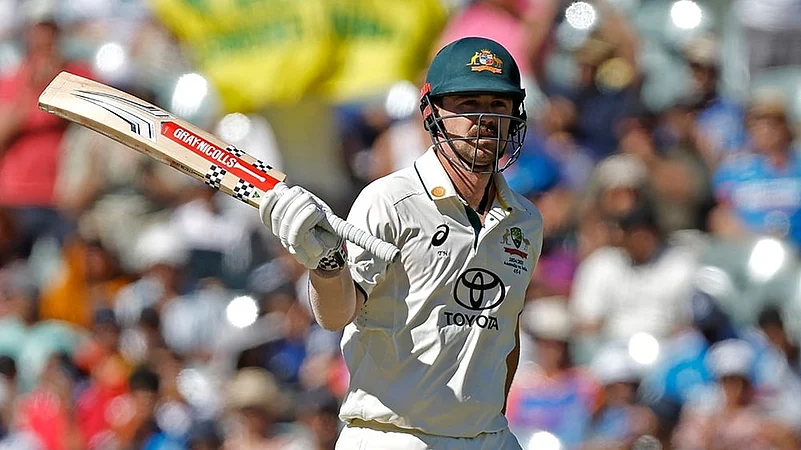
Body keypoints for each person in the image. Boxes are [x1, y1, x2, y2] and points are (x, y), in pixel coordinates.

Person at [259, 36, 542, 449]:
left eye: (498, 105)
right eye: (468, 104)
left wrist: (487, 421)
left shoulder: (525, 221)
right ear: (431, 112)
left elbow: (505, 329)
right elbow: (337, 316)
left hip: (487, 436)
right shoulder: (390, 200)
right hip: (393, 435)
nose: (485, 119)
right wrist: (326, 266)